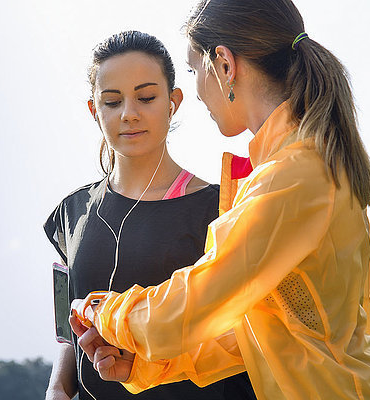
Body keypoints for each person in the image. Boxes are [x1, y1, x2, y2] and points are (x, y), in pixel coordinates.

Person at [70, 1, 370, 399]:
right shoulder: (294, 165)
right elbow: (257, 332)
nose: (196, 90)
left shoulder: (294, 175)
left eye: (193, 70)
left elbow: (197, 300)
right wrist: (148, 365)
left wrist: (104, 313)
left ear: (223, 65)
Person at [44, 31, 256, 400]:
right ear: (95, 110)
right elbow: (68, 326)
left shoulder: (224, 208)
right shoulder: (72, 213)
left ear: (173, 102)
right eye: (112, 101)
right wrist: (57, 388)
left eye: (146, 97)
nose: (129, 113)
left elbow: (244, 333)